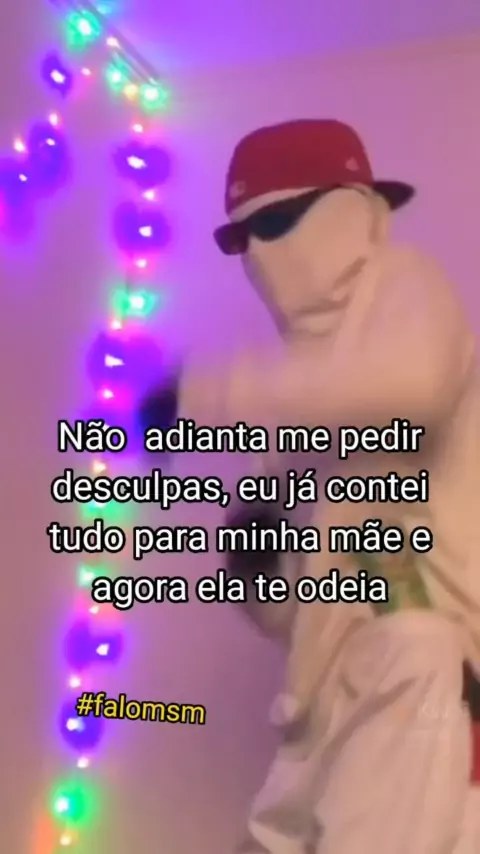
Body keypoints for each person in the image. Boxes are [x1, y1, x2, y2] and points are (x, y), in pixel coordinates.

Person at [138, 119, 480, 853]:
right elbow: (299, 613)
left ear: (357, 209)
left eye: (277, 222)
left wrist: (205, 391)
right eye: (239, 240)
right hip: (341, 706)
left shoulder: (406, 289)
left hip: (436, 681)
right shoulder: (305, 399)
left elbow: (408, 385)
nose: (261, 255)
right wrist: (255, 564)